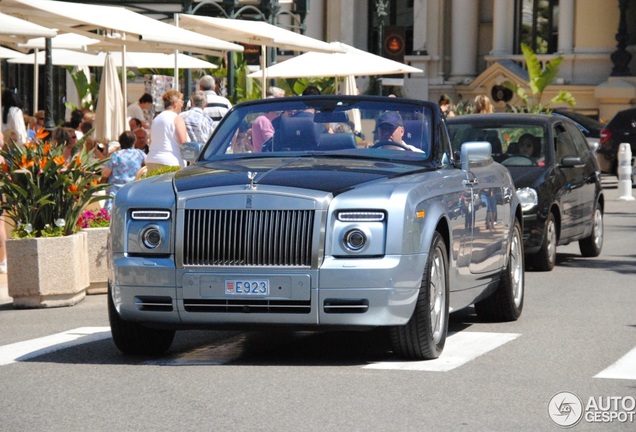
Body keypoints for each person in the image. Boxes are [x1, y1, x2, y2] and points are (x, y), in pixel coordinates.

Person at [100, 130, 146, 213]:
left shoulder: (115, 155)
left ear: (120, 142)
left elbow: (105, 174)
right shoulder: (139, 154)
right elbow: (148, 166)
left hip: (116, 194)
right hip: (134, 192)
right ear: (133, 142)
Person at [146, 90, 188, 171]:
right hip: (170, 161)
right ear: (175, 103)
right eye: (181, 101)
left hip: (152, 159)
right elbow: (184, 143)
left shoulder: (156, 119)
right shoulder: (177, 118)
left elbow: (151, 141)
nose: (182, 104)